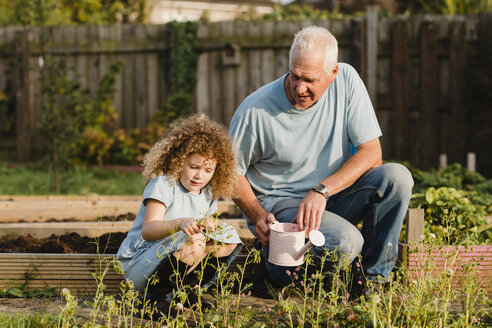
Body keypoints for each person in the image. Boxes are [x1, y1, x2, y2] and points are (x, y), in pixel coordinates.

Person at [228, 26, 413, 297]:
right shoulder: (255, 111)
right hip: (284, 207)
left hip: (330, 196)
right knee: (347, 242)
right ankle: (275, 269)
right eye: (294, 76)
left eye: (310, 80)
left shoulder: (347, 80)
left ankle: (371, 283)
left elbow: (372, 153)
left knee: (397, 178)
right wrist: (257, 215)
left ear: (333, 74)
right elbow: (231, 173)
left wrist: (321, 190)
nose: (299, 88)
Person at [117, 114, 242, 318]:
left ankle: (183, 292)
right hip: (142, 263)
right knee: (195, 240)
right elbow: (149, 231)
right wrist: (179, 223)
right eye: (193, 167)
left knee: (226, 238)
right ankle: (152, 299)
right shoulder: (164, 185)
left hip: (174, 258)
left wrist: (210, 225)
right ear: (178, 160)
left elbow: (208, 235)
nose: (199, 175)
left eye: (208, 170)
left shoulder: (208, 192)